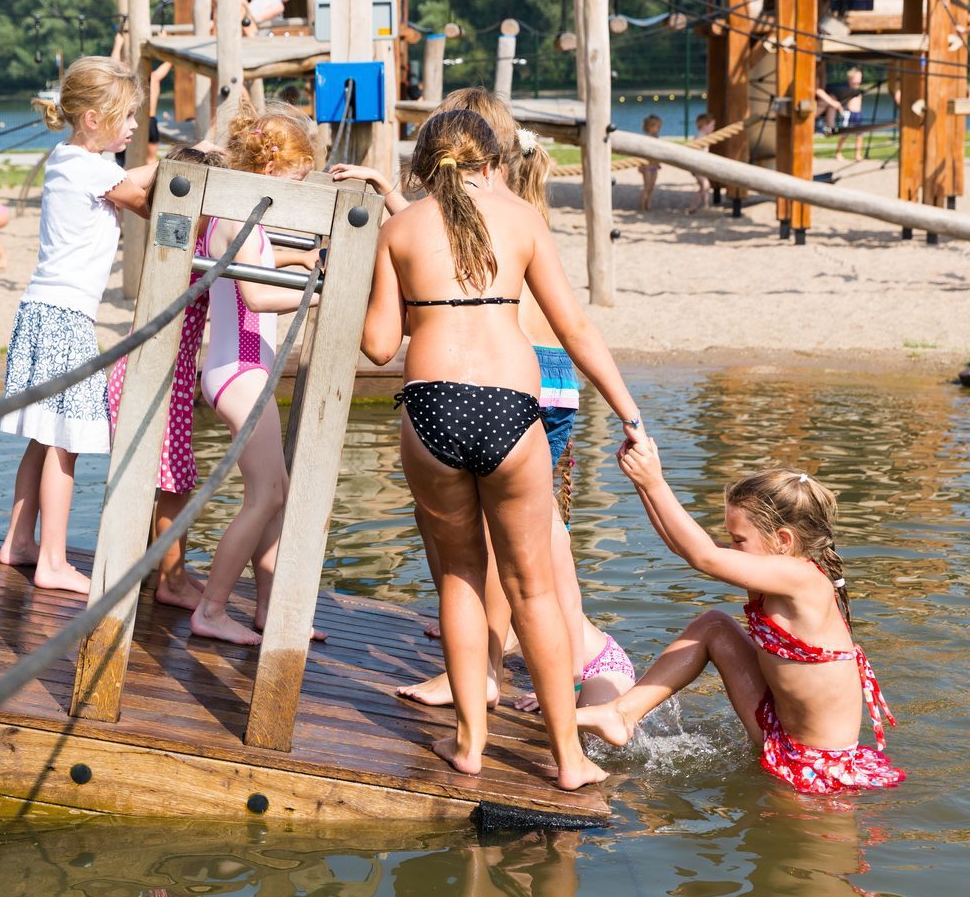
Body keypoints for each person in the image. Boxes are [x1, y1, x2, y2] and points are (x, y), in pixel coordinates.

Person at [361, 107, 644, 787]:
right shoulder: (521, 219)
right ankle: (569, 759)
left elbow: (377, 346)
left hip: (430, 408)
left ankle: (468, 744)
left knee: (459, 576)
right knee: (533, 589)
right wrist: (630, 411)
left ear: (423, 168)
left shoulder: (399, 228)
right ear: (493, 162)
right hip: (511, 409)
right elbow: (572, 325)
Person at [578, 449, 905, 795]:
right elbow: (685, 548)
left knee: (715, 623)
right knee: (714, 626)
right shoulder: (771, 566)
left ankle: (619, 715)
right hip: (778, 729)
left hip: (816, 766)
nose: (731, 548)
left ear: (782, 540)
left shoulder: (802, 578)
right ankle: (622, 714)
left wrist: (655, 482)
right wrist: (641, 481)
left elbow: (703, 555)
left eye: (738, 540)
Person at [0, 57, 157, 592]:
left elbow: (124, 178)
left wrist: (161, 165)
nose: (134, 127)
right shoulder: (96, 171)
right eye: (127, 116)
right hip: (66, 318)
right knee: (64, 444)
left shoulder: (65, 157)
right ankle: (54, 563)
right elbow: (146, 203)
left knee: (42, 439)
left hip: (38, 310)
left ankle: (20, 542)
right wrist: (183, 168)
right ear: (93, 119)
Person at [187, 99, 324, 645]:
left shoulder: (245, 216)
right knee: (265, 493)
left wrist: (297, 263)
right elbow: (255, 296)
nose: (296, 190)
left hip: (246, 367)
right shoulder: (236, 219)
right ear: (269, 171)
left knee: (277, 489)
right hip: (238, 368)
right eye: (295, 179)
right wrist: (313, 296)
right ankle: (212, 609)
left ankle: (270, 610)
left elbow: (259, 268)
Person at [103, 144, 230, 613]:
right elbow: (132, 189)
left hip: (164, 373)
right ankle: (170, 581)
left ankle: (167, 570)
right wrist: (172, 167)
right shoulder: (174, 229)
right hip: (151, 373)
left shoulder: (195, 235)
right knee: (172, 479)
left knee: (168, 478)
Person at [815, 68, 865, 162]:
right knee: (845, 134)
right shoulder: (846, 90)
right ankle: (838, 152)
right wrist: (842, 112)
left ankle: (857, 155)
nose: (858, 79)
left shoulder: (859, 90)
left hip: (859, 114)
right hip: (850, 113)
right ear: (850, 79)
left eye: (860, 77)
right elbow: (840, 102)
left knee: (860, 135)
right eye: (856, 77)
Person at [688, 112, 716, 212]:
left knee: (703, 187)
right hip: (698, 167)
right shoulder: (701, 137)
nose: (713, 128)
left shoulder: (704, 137)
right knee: (705, 185)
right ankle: (704, 205)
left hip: (701, 166)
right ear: (704, 126)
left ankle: (696, 206)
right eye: (712, 125)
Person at [638, 114, 664, 212]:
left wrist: (658, 163)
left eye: (659, 127)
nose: (658, 129)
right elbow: (641, 153)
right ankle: (642, 206)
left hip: (654, 166)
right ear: (650, 127)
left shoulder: (657, 138)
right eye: (657, 126)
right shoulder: (646, 139)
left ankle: (648, 204)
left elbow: (658, 153)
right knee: (647, 186)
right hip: (647, 167)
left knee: (652, 187)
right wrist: (640, 165)